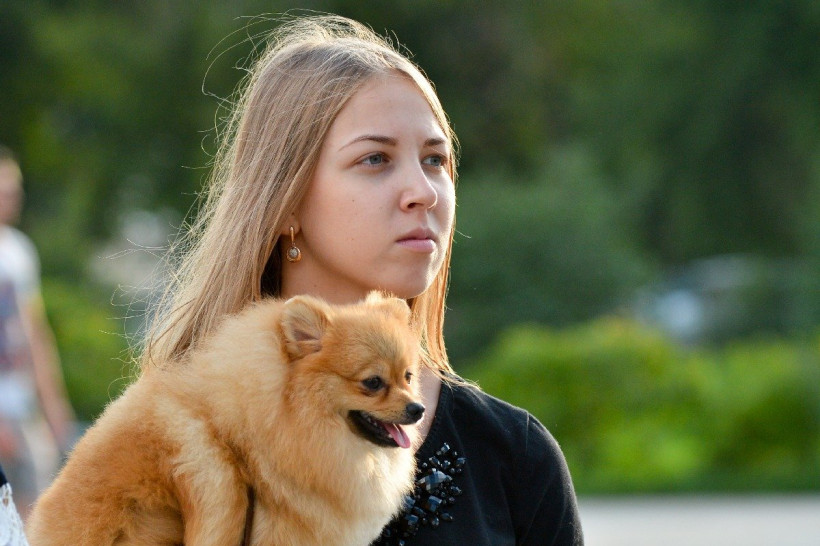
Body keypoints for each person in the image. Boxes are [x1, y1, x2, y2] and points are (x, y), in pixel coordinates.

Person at [143, 15, 583, 545]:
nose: (424, 191)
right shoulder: (169, 441)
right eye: (376, 159)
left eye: (435, 159)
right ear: (284, 201)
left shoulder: (516, 453)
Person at [0, 147, 75, 518]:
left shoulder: (19, 251)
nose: (12, 199)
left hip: (20, 402)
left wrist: (54, 405)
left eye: (14, 191)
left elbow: (35, 333)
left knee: (33, 506)